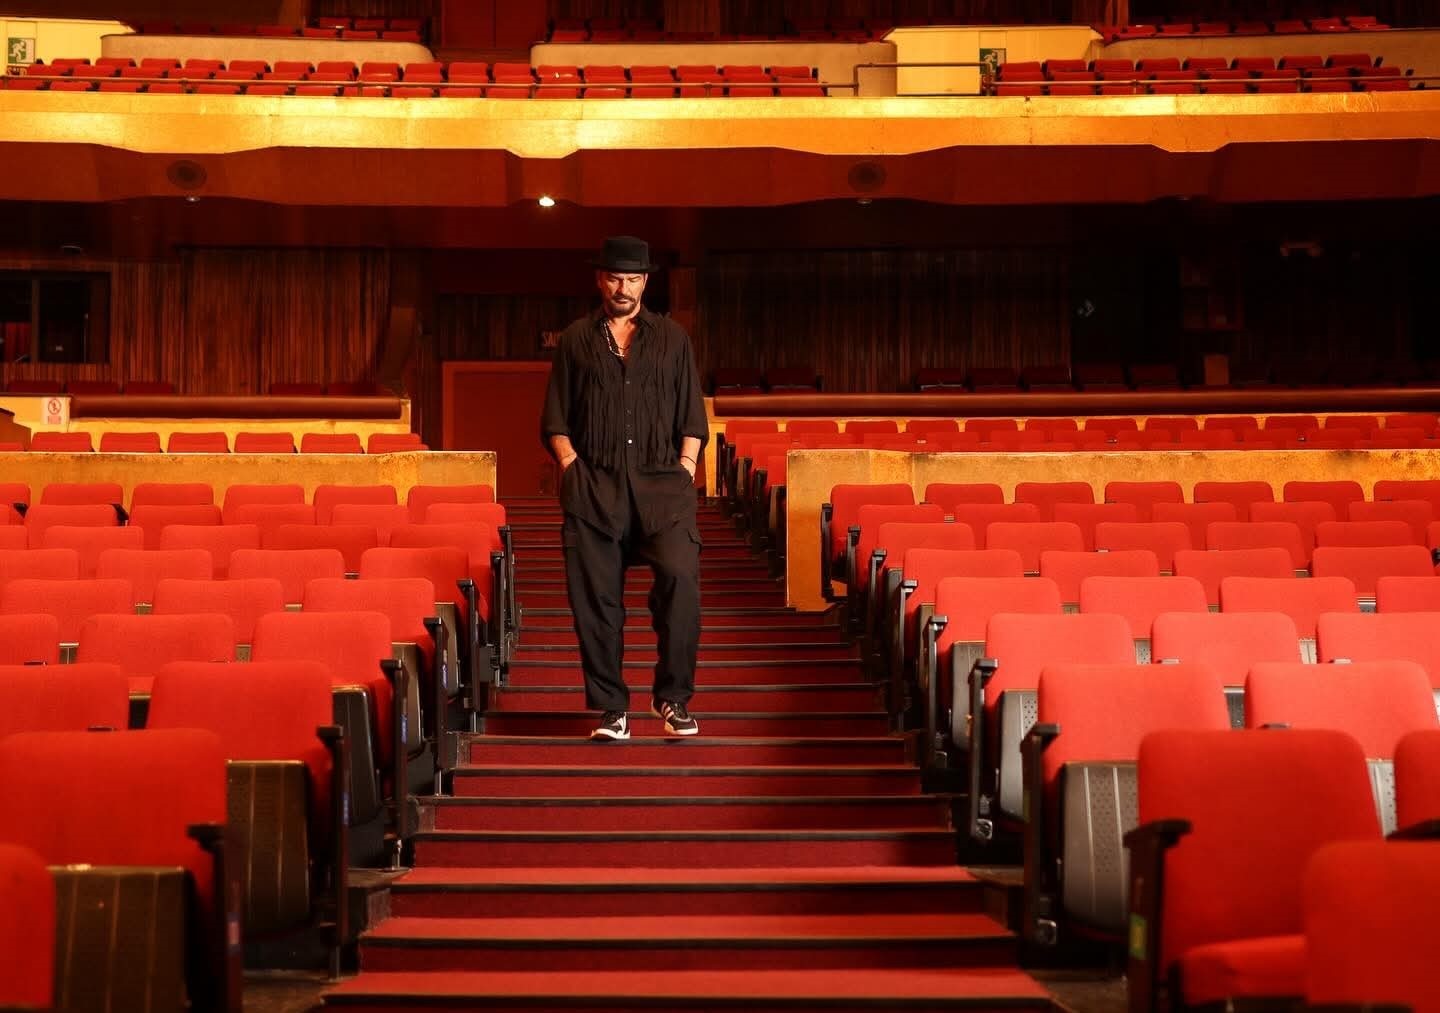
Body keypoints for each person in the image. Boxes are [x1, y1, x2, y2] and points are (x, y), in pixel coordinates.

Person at [540, 236, 708, 741]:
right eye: (615, 278)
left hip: (664, 488)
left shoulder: (673, 339)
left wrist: (685, 467)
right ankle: (612, 708)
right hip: (595, 486)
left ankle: (672, 698)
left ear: (645, 282)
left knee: (681, 584)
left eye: (633, 279)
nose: (623, 288)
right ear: (600, 280)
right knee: (596, 603)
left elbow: (693, 417)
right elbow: (555, 419)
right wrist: (571, 465)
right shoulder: (575, 339)